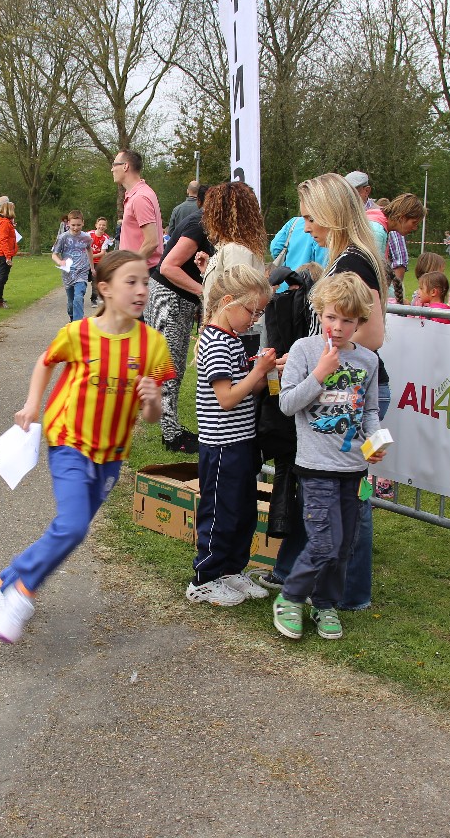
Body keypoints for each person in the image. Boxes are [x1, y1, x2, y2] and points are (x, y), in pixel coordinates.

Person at [0, 250, 175, 643]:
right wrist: (32, 405)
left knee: (69, 529)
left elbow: (151, 417)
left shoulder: (153, 345)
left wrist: (153, 400)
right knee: (73, 527)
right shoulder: (78, 333)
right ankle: (20, 593)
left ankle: (9, 577)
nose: (142, 290)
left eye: (145, 282)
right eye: (131, 282)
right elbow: (46, 361)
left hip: (112, 454)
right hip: (69, 442)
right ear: (104, 289)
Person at [259, 173, 389, 610]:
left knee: (352, 500)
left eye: (310, 217)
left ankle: (347, 594)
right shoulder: (346, 258)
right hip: (332, 387)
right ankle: (301, 575)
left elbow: (372, 337)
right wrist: (305, 362)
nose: (305, 226)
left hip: (349, 395)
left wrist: (321, 365)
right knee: (320, 489)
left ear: (331, 214)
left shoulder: (353, 263)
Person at [273, 271, 384, 640]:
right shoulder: (304, 351)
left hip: (353, 470)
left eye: (347, 321)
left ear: (360, 321)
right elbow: (288, 404)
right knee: (323, 542)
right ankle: (291, 596)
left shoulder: (368, 360)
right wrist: (320, 373)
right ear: (319, 312)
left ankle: (324, 603)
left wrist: (375, 442)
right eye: (331, 317)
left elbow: (369, 410)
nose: (337, 327)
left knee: (344, 545)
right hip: (316, 468)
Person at [185, 264, 276, 607]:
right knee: (220, 514)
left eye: (260, 313)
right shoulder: (215, 343)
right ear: (227, 302)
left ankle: (231, 570)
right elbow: (226, 398)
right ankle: (204, 579)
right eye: (252, 311)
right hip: (222, 445)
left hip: (241, 442)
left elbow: (248, 388)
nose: (255, 320)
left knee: (242, 511)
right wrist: (258, 371)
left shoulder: (233, 340)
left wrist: (267, 371)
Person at [143, 186, 212, 454]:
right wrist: (204, 292)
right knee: (168, 368)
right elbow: (168, 266)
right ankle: (171, 435)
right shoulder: (198, 224)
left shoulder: (203, 223)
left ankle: (172, 428)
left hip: (179, 301)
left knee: (176, 368)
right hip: (167, 299)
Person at [199, 181, 268, 325]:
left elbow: (237, 300)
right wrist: (208, 271)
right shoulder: (236, 248)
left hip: (228, 331)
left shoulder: (235, 250)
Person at [113, 150, 162, 268]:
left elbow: (151, 242)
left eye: (114, 165)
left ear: (125, 166)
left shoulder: (140, 198)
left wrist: (131, 268)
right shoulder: (137, 194)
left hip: (144, 271)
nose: (112, 169)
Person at [383, 194, 426, 303]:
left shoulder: (384, 227)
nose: (415, 228)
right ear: (402, 217)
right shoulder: (380, 230)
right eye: (414, 223)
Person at [51, 210, 92, 323]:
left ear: (83, 223)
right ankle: (72, 317)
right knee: (71, 302)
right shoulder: (62, 238)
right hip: (68, 273)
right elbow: (54, 254)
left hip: (82, 271)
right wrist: (60, 262)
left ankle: (77, 323)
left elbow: (89, 250)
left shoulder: (86, 237)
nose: (76, 228)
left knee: (78, 297)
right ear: (68, 223)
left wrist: (92, 268)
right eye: (73, 225)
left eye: (78, 225)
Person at [0, 198, 18, 309]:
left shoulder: (1, 221)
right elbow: (3, 240)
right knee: (2, 277)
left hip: (1, 252)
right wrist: (8, 256)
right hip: (3, 253)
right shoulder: (4, 223)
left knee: (2, 276)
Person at [88, 216, 111, 305]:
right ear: (96, 225)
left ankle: (94, 299)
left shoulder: (105, 238)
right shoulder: (89, 234)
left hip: (97, 262)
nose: (101, 227)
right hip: (86, 262)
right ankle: (78, 297)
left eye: (103, 225)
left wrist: (91, 256)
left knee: (95, 280)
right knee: (82, 279)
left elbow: (102, 253)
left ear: (106, 227)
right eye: (100, 224)